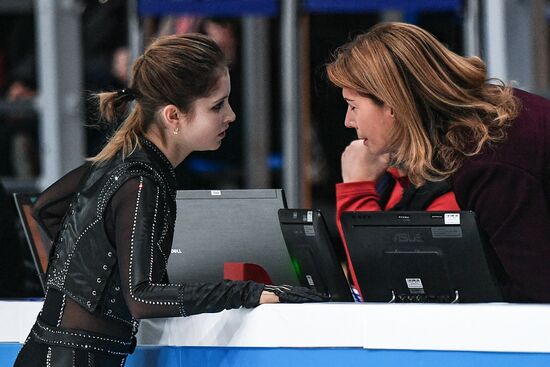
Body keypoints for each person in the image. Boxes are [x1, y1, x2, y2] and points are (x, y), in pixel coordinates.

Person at [14, 33, 326, 367]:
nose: (231, 115)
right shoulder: (142, 181)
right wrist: (248, 291)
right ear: (173, 116)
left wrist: (94, 276)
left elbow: (46, 207)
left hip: (51, 353)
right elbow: (141, 297)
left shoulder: (122, 160)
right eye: (217, 105)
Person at [326, 22, 550, 303]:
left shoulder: (491, 160)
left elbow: (535, 297)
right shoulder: (475, 134)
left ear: (392, 103)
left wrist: (357, 190)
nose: (348, 121)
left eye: (354, 106)